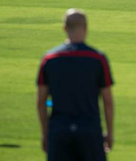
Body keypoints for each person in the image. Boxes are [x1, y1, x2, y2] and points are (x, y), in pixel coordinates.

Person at [37, 9, 114, 161]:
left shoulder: (49, 59)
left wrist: (45, 134)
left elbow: (41, 102)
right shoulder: (98, 58)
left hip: (59, 131)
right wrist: (110, 132)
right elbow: (108, 101)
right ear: (86, 28)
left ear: (64, 28)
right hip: (90, 131)